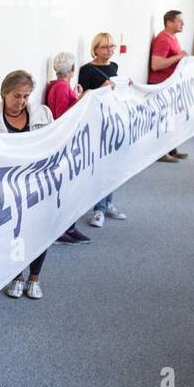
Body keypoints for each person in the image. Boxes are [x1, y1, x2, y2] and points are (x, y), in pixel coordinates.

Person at [0, 70, 53, 299]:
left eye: (26, 96)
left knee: (40, 229)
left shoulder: (43, 114)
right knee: (16, 232)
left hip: (37, 182)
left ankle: (34, 277)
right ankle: (16, 275)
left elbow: (53, 142)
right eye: (16, 96)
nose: (21, 102)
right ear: (4, 93)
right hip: (9, 186)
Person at [75, 34, 128, 226]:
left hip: (111, 120)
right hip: (95, 123)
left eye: (112, 46)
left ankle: (107, 204)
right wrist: (101, 89)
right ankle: (99, 209)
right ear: (95, 49)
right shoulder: (86, 70)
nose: (110, 50)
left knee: (111, 163)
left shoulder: (113, 67)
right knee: (100, 166)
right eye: (105, 47)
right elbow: (82, 98)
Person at [45, 51, 92, 245]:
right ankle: (64, 229)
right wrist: (84, 98)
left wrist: (78, 95)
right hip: (64, 142)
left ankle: (70, 227)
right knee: (68, 188)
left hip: (68, 141)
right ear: (72, 69)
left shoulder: (62, 87)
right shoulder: (61, 87)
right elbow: (63, 115)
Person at [149, 11, 189, 161]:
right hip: (160, 83)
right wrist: (179, 57)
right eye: (179, 21)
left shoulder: (173, 38)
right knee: (163, 119)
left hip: (170, 84)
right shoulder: (163, 40)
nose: (182, 24)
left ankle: (171, 149)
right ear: (169, 22)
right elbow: (156, 64)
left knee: (170, 119)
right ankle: (161, 152)